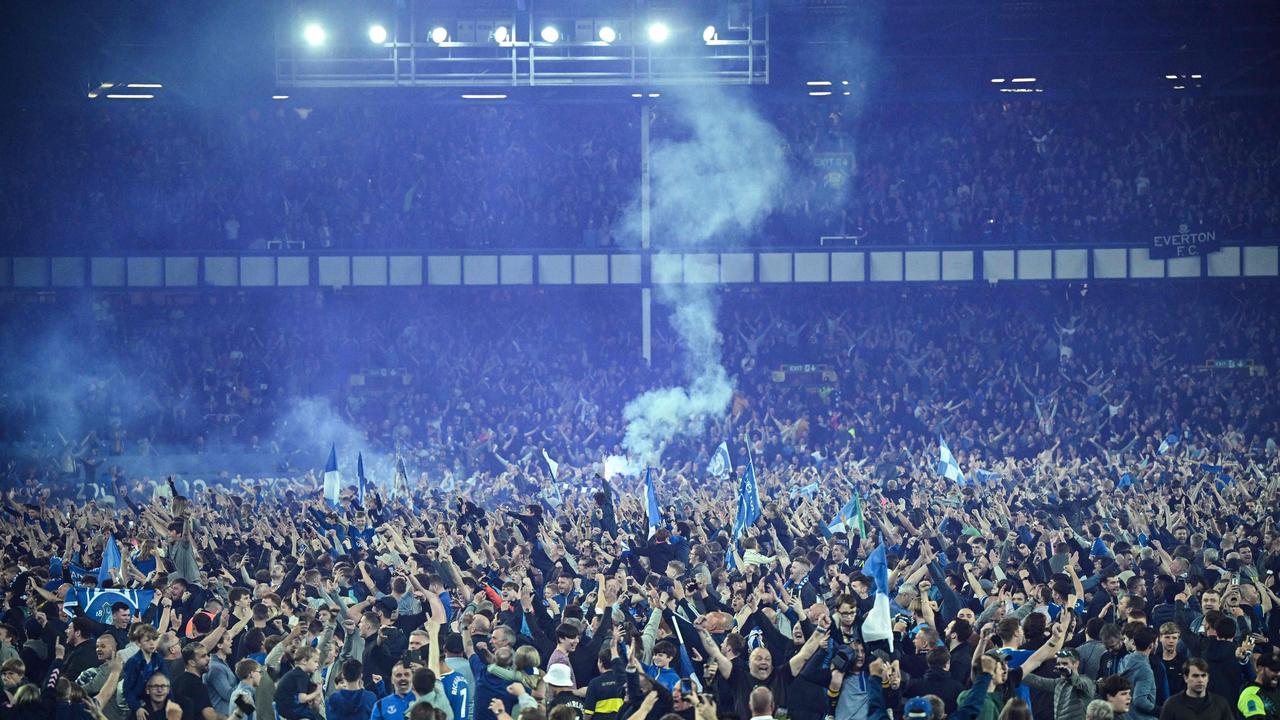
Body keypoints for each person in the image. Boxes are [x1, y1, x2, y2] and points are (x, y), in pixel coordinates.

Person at [1158, 658, 1233, 720]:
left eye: (1203, 676)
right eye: (1195, 676)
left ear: (1208, 678)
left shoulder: (1220, 704)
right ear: (1186, 678)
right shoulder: (1171, 705)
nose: (1200, 680)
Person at [274, 646, 323, 720]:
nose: (317, 665)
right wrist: (317, 692)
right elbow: (302, 699)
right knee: (317, 717)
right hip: (290, 709)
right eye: (315, 661)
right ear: (304, 661)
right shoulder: (301, 675)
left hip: (282, 708)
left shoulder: (295, 673)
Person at [1238, 653, 1280, 719]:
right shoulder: (1250, 694)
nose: (1278, 674)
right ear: (1260, 668)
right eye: (1274, 670)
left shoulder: (1276, 692)